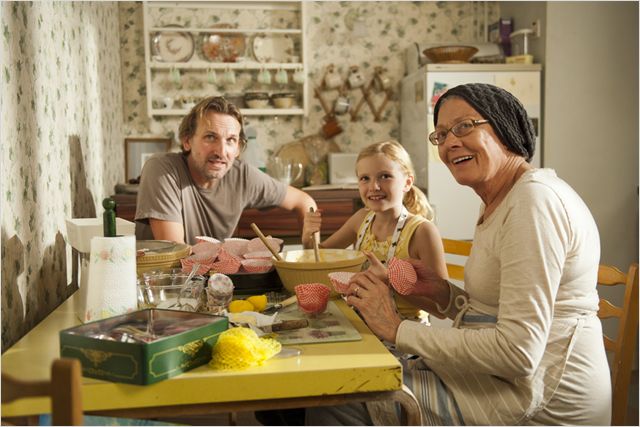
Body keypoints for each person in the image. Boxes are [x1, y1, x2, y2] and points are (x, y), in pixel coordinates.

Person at [306, 83, 611, 425]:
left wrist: (397, 328)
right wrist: (442, 293)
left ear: (505, 126)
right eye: (441, 134)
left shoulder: (533, 203)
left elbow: (518, 353)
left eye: (465, 126)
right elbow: (496, 310)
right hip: (507, 381)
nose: (451, 142)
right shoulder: (503, 201)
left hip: (542, 401)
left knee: (339, 395)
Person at [135, 96, 316, 245]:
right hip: (165, 285)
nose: (221, 152)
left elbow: (304, 201)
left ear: (238, 148)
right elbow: (175, 252)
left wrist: (310, 246)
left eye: (230, 140)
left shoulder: (242, 175)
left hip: (213, 281)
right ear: (187, 141)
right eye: (210, 137)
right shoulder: (162, 169)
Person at [301, 140, 448, 319]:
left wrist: (390, 281)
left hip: (405, 336)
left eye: (385, 176)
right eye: (365, 178)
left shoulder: (422, 232)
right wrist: (309, 236)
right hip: (364, 323)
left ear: (407, 182)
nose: (374, 187)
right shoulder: (361, 219)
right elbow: (319, 257)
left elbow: (442, 307)